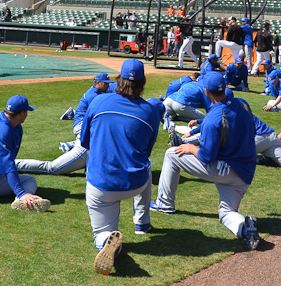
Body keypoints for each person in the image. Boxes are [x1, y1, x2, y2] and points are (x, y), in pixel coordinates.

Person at [152, 72, 262, 252]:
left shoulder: (213, 118)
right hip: (245, 173)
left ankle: (165, 203)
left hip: (223, 170)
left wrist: (191, 148)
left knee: (172, 154)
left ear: (206, 91)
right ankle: (245, 228)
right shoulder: (243, 104)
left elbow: (206, 157)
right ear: (225, 87)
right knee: (226, 213)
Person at [81, 60, 159, 274]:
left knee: (102, 233)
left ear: (118, 80)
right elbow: (146, 151)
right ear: (142, 83)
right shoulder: (150, 111)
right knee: (146, 165)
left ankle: (106, 240)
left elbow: (85, 142)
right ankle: (142, 223)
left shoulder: (98, 102)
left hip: (101, 185)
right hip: (135, 184)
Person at [18, 74, 114, 176]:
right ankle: (13, 164)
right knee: (50, 167)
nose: (108, 86)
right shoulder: (93, 96)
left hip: (90, 136)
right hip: (83, 132)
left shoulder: (99, 92)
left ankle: (72, 145)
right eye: (106, 83)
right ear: (98, 83)